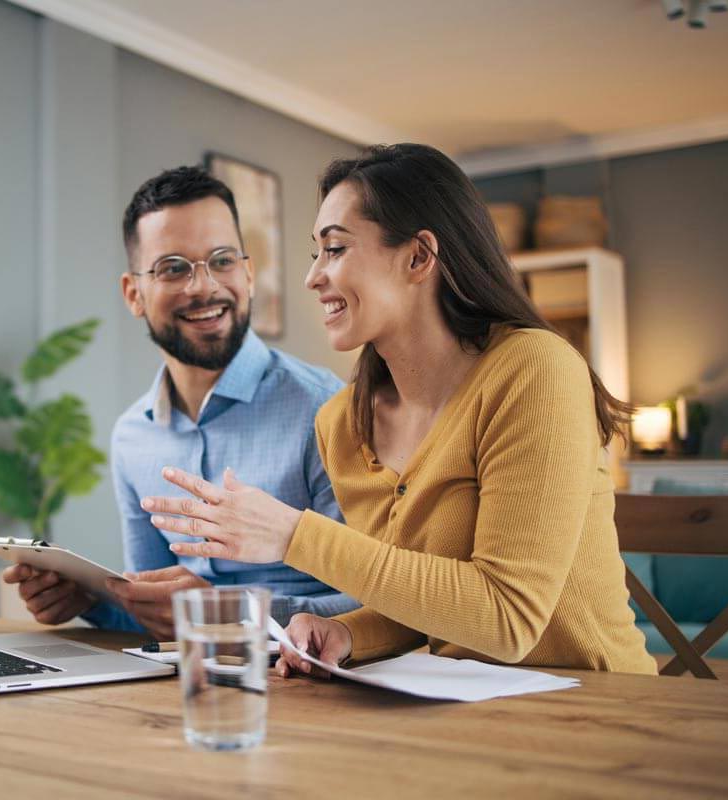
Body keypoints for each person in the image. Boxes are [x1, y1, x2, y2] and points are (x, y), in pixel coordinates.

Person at [140, 144, 657, 676]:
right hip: (469, 719)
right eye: (314, 253)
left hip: (599, 711)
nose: (313, 277)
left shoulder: (534, 371)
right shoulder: (342, 424)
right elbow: (423, 600)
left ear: (418, 257)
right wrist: (346, 632)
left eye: (335, 249)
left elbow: (507, 618)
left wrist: (295, 536)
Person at [2, 166, 359, 640]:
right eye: (173, 267)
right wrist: (90, 601)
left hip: (310, 681)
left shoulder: (327, 408)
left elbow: (373, 601)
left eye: (222, 260)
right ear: (134, 294)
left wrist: (224, 612)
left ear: (249, 274)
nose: (203, 286)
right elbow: (158, 614)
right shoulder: (133, 436)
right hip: (176, 685)